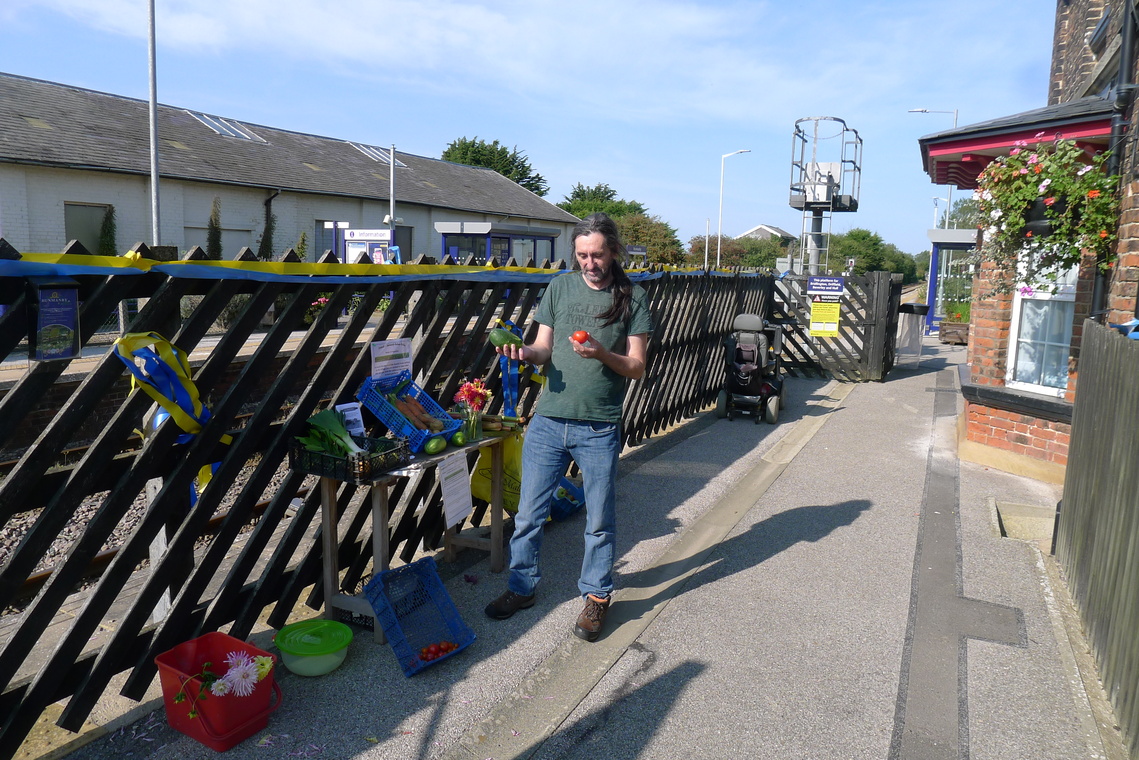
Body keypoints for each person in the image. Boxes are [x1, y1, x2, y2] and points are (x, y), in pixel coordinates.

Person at [484, 213, 652, 642]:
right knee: (527, 516)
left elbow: (636, 368)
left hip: (598, 427)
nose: (589, 263)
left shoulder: (633, 298)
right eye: (581, 255)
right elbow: (543, 348)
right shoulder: (559, 286)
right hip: (548, 420)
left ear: (613, 251)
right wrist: (523, 353)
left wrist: (600, 354)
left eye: (597, 255)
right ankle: (522, 588)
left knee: (598, 520)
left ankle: (596, 598)